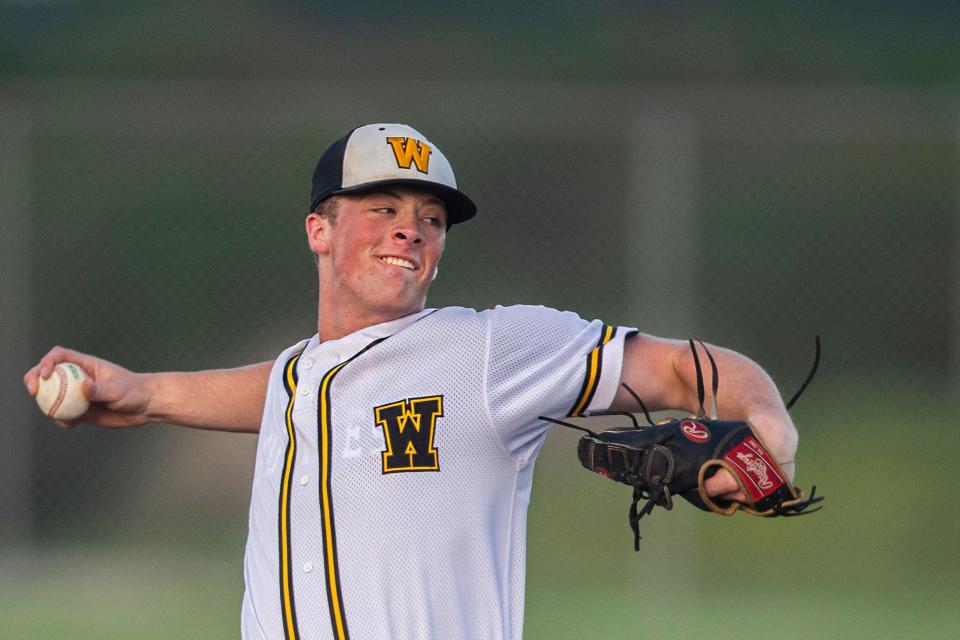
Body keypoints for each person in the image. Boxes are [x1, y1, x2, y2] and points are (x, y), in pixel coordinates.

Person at [24, 123, 799, 640]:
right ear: (318, 231)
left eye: (431, 218)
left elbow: (678, 367)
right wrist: (146, 393)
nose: (412, 228)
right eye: (383, 206)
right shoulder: (302, 378)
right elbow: (293, 390)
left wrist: (770, 431)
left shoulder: (489, 351)